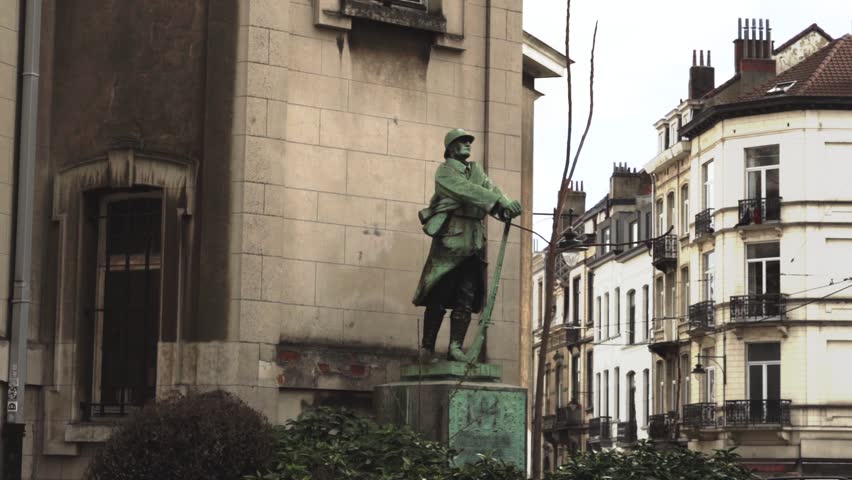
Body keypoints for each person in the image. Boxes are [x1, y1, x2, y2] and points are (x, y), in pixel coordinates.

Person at [412, 128, 522, 361]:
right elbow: (467, 191)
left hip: (474, 239)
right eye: (461, 141)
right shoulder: (445, 172)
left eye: (469, 142)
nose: (467, 145)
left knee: (467, 295)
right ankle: (427, 347)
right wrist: (496, 202)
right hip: (452, 238)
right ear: (450, 148)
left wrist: (507, 205)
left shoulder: (477, 170)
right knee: (439, 293)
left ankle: (455, 347)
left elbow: (491, 189)